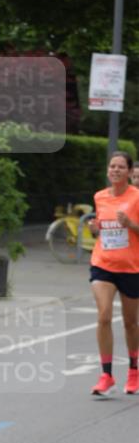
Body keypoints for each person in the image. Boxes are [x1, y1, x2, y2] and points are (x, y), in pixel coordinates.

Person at [88, 151, 139, 396]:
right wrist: (94, 229)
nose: (115, 170)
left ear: (129, 172)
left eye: (120, 167)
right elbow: (101, 230)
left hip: (131, 267)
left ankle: (133, 370)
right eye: (112, 166)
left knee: (130, 323)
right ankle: (106, 375)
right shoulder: (100, 197)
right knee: (104, 316)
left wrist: (131, 225)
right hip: (103, 263)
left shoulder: (137, 198)